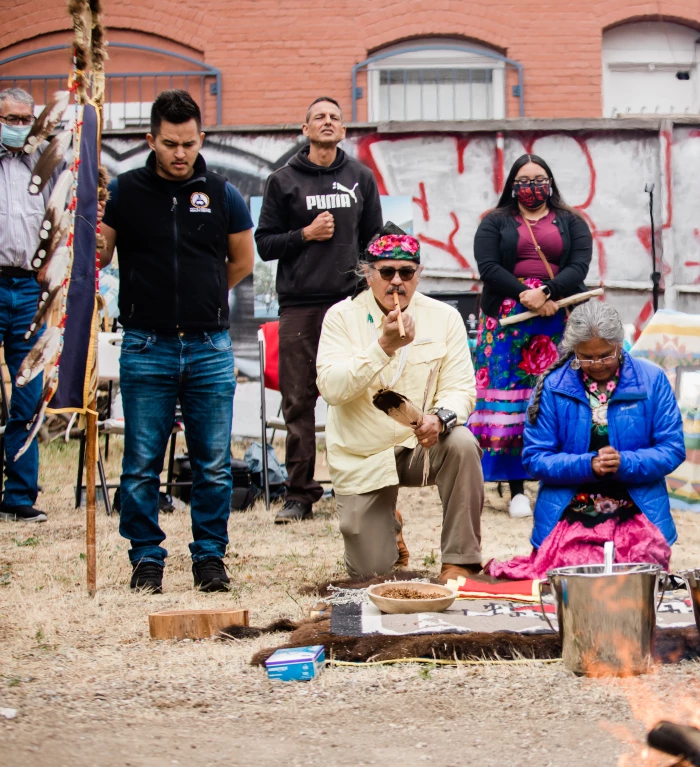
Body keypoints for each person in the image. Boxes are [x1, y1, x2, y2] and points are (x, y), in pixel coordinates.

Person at [98, 90, 256, 593]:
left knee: (212, 463)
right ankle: (146, 557)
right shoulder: (124, 192)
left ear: (201, 138)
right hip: (146, 346)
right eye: (170, 143)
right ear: (151, 139)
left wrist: (203, 298)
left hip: (209, 347)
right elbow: (100, 256)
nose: (180, 153)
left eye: (189, 143)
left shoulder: (224, 193)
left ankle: (210, 557)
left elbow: (242, 262)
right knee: (141, 463)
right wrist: (84, 217)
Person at [316, 224, 483, 582]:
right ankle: (388, 526)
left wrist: (440, 418)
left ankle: (461, 562)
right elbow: (332, 389)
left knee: (462, 443)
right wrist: (383, 347)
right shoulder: (341, 318)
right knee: (370, 575)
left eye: (406, 272)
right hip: (364, 453)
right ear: (367, 272)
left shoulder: (444, 317)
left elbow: (461, 388)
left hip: (419, 445)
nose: (396, 282)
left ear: (418, 274)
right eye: (386, 272)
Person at [487, 302, 684, 579]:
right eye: (586, 358)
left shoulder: (652, 381)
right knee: (576, 572)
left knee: (635, 573)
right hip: (571, 506)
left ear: (619, 344)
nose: (597, 365)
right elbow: (535, 458)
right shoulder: (553, 386)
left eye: (606, 356)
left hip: (636, 504)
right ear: (573, 351)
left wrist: (624, 462)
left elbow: (672, 449)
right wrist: (587, 465)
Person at [254, 97, 382, 524]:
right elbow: (265, 244)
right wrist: (305, 234)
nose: (327, 122)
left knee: (362, 395)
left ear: (343, 130)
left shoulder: (361, 177)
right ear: (305, 128)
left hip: (350, 304)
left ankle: (363, 486)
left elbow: (375, 244)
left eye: (335, 117)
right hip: (299, 305)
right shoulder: (283, 180)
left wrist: (373, 295)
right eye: (319, 117)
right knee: (299, 400)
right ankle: (299, 494)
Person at [470, 155, 593, 519]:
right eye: (524, 180)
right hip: (507, 322)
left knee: (559, 395)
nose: (533, 186)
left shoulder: (572, 221)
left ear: (551, 183)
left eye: (540, 179)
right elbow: (488, 267)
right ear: (512, 185)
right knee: (511, 400)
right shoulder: (494, 222)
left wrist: (549, 292)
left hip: (558, 319)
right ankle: (516, 489)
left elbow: (579, 265)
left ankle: (559, 481)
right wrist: (526, 293)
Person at [0, 87, 64, 524]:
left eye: (26, 119)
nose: (19, 126)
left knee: (27, 392)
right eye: (11, 118)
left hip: (29, 291)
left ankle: (19, 495)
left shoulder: (44, 166)